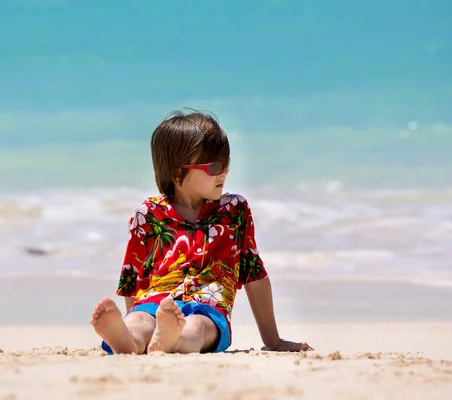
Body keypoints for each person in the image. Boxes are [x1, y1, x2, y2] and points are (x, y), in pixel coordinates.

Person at [90, 110, 313, 354]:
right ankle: (129, 339)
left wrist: (274, 341)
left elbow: (253, 272)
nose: (224, 172)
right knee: (141, 320)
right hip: (154, 300)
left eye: (226, 163)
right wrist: (133, 313)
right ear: (177, 174)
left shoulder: (234, 210)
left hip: (210, 307)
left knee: (197, 327)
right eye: (214, 166)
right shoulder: (148, 214)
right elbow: (134, 278)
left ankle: (172, 340)